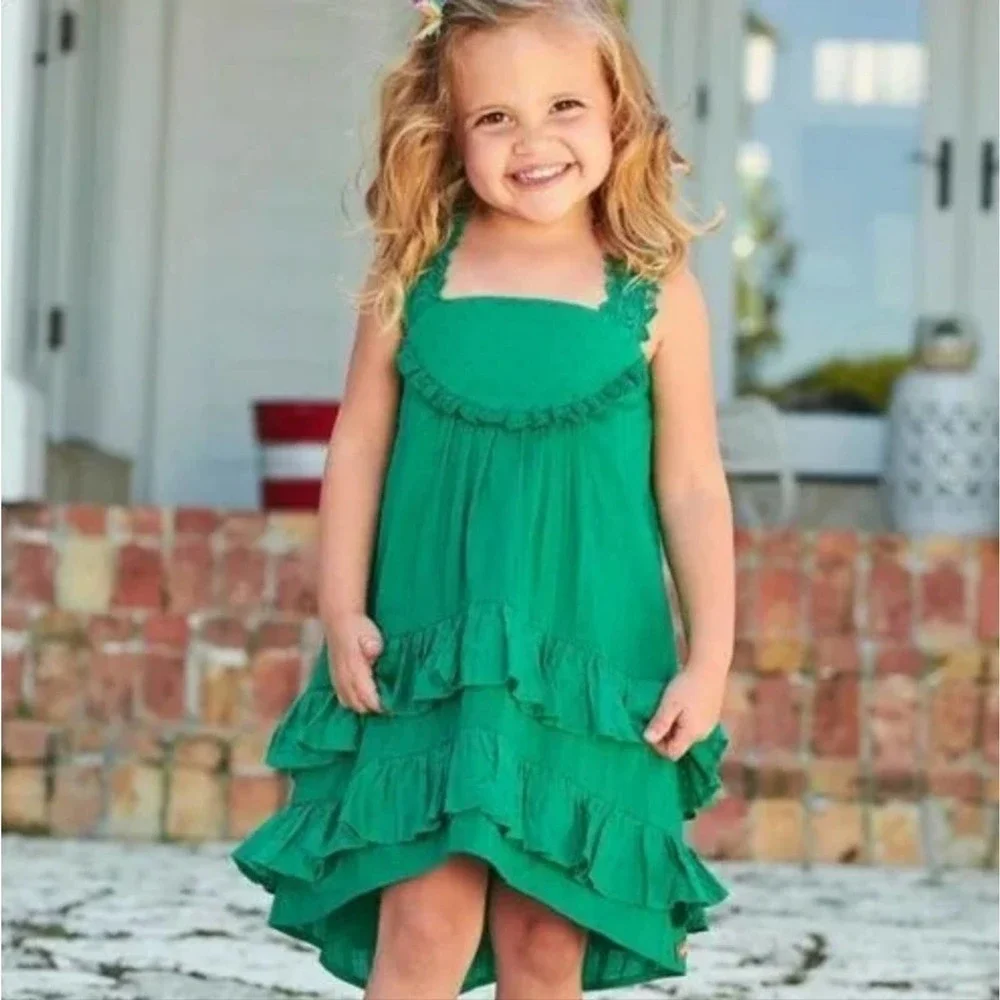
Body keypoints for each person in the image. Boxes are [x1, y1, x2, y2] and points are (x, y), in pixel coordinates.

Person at [232, 1, 735, 997]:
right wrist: (340, 606)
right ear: (450, 132)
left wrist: (709, 657)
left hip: (590, 656)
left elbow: (690, 483)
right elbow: (358, 446)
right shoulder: (414, 270)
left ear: (618, 114)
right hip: (433, 648)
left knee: (547, 938)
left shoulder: (656, 288)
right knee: (424, 917)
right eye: (496, 117)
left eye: (563, 107)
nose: (533, 141)